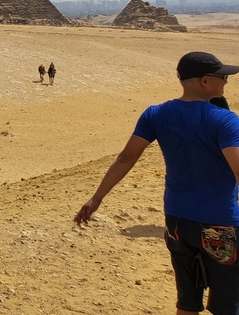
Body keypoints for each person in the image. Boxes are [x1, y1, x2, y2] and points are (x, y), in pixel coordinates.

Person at [75, 52, 239, 315]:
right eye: (223, 77)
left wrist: (96, 199)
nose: (226, 83)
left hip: (176, 222)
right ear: (205, 82)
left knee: (187, 302)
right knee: (227, 306)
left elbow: (126, 157)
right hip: (219, 222)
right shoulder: (226, 120)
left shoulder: (155, 114)